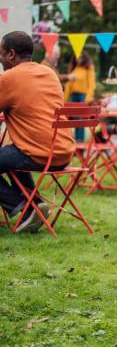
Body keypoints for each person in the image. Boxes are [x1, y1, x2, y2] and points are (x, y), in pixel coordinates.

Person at [0, 31, 76, 232]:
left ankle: (23, 208)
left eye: (1, 53)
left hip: (38, 153)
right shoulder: (48, 73)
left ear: (11, 54)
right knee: (11, 155)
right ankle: (35, 204)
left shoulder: (9, 78)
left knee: (13, 154)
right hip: (63, 151)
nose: (0, 59)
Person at [64, 51, 96, 141]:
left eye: (81, 57)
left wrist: (88, 98)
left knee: (81, 120)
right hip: (74, 96)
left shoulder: (89, 68)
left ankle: (80, 142)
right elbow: (68, 85)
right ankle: (75, 142)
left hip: (83, 96)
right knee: (74, 120)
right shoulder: (73, 68)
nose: (79, 59)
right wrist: (63, 99)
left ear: (84, 58)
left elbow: (91, 83)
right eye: (77, 57)